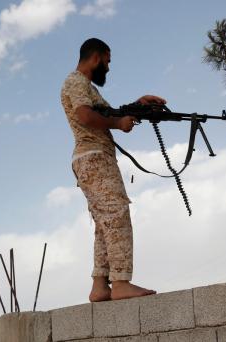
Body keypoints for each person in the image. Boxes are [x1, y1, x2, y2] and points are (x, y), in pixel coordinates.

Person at [60, 38, 165, 301]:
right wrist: (118, 123)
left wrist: (137, 105)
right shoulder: (76, 82)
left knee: (104, 222)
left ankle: (100, 285)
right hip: (94, 157)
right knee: (117, 215)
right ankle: (120, 283)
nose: (107, 68)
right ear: (96, 58)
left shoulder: (85, 87)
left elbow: (104, 112)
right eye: (107, 62)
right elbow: (86, 116)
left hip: (90, 158)